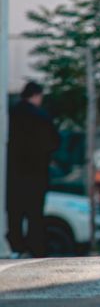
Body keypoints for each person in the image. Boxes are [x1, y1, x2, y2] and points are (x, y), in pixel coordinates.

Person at [6, 82, 60, 258]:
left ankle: (16, 246)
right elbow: (54, 142)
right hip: (37, 174)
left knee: (15, 213)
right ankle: (35, 248)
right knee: (35, 214)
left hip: (13, 173)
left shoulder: (11, 114)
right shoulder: (42, 117)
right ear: (37, 95)